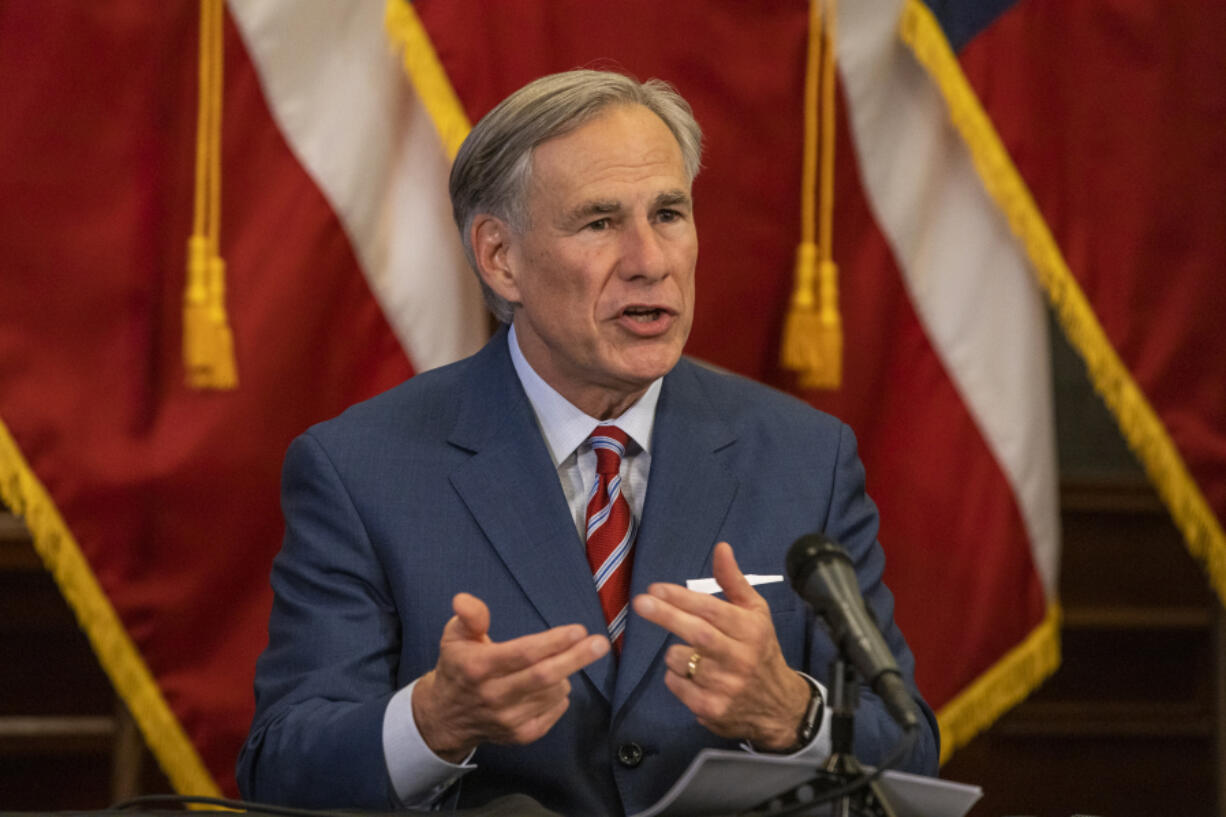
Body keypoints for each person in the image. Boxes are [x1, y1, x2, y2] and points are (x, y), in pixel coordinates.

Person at [237, 69, 938, 816]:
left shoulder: (807, 458)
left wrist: (790, 713)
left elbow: (910, 752)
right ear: (500, 257)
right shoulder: (362, 468)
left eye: (669, 212)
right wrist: (432, 721)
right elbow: (281, 766)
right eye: (600, 222)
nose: (649, 258)